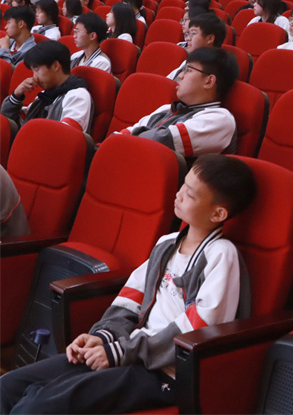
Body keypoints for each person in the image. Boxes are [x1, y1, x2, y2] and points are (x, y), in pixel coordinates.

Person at [0, 154, 256, 414]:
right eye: (183, 185)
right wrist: (102, 337)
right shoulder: (166, 244)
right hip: (129, 352)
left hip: (164, 372)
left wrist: (121, 352)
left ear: (218, 213)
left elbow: (199, 329)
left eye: (189, 194)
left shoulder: (221, 255)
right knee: (9, 385)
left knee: (39, 404)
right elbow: (130, 300)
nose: (179, 194)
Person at [119, 47, 238, 157]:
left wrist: (126, 140)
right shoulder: (166, 109)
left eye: (187, 70)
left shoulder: (220, 119)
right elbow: (124, 134)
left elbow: (162, 140)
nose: (180, 75)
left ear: (209, 81)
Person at [1, 40, 93, 132]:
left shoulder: (77, 96)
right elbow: (14, 125)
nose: (34, 77)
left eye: (37, 70)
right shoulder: (44, 95)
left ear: (55, 66)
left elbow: (66, 135)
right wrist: (16, 96)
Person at [167, 13, 227, 81]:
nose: (188, 39)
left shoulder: (212, 70)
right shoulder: (189, 61)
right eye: (188, 34)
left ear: (210, 39)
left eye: (193, 33)